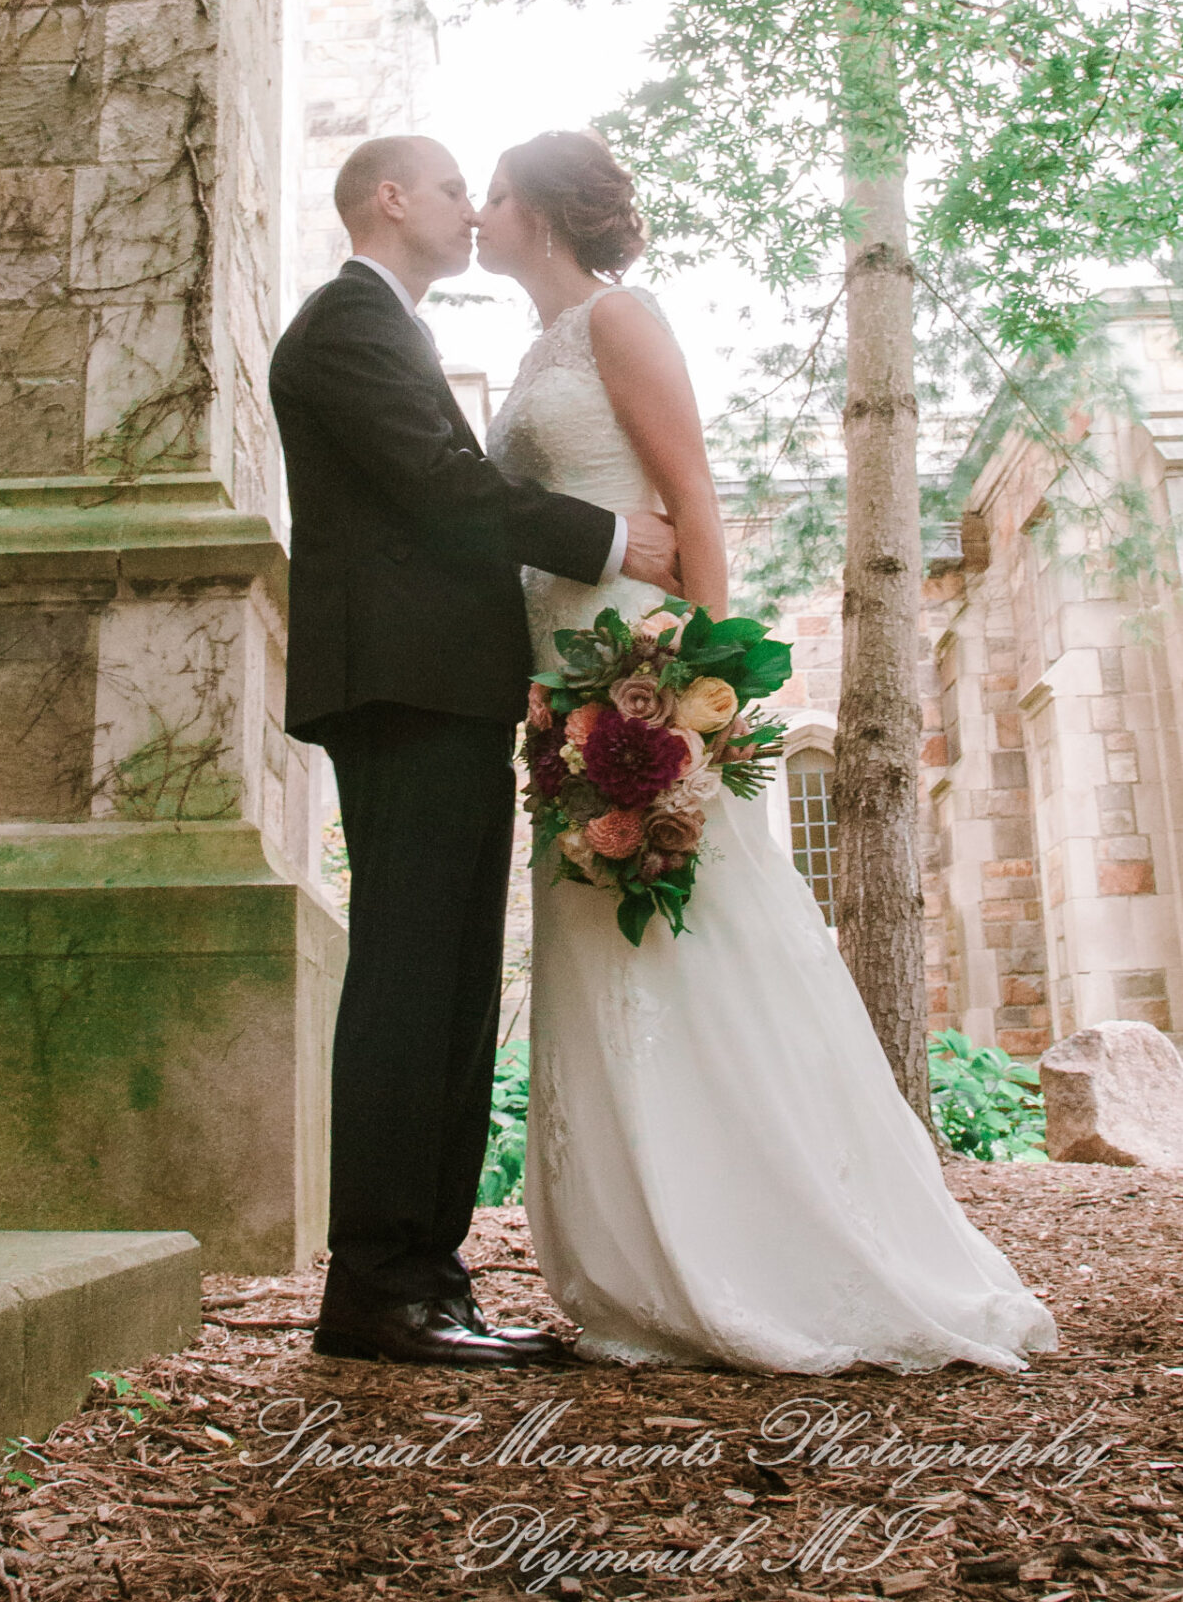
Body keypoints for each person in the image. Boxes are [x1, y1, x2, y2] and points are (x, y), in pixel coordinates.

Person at [480, 128, 1057, 1373]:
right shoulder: (529, 349)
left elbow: (691, 491)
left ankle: (763, 1245)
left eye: (491, 194)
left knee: (695, 938)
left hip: (636, 668)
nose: (476, 213)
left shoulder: (617, 323)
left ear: (535, 211)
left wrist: (698, 675)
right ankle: (636, 1257)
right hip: (556, 677)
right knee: (599, 947)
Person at [269, 134, 680, 1367]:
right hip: (400, 691)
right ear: (392, 199)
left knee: (445, 978)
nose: (467, 210)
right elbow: (448, 491)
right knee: (411, 974)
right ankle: (382, 1282)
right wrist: (614, 538)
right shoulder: (347, 322)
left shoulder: (377, 323)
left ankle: (424, 1275)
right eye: (454, 188)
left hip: (438, 691)